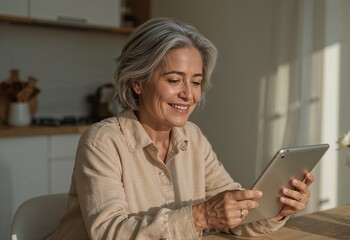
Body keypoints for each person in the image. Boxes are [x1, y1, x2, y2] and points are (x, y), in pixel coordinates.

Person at [52, 17, 314, 239]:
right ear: (138, 83)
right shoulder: (103, 141)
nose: (188, 94)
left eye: (196, 82)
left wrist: (275, 208)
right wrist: (200, 216)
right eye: (175, 80)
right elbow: (110, 232)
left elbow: (233, 218)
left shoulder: (193, 137)